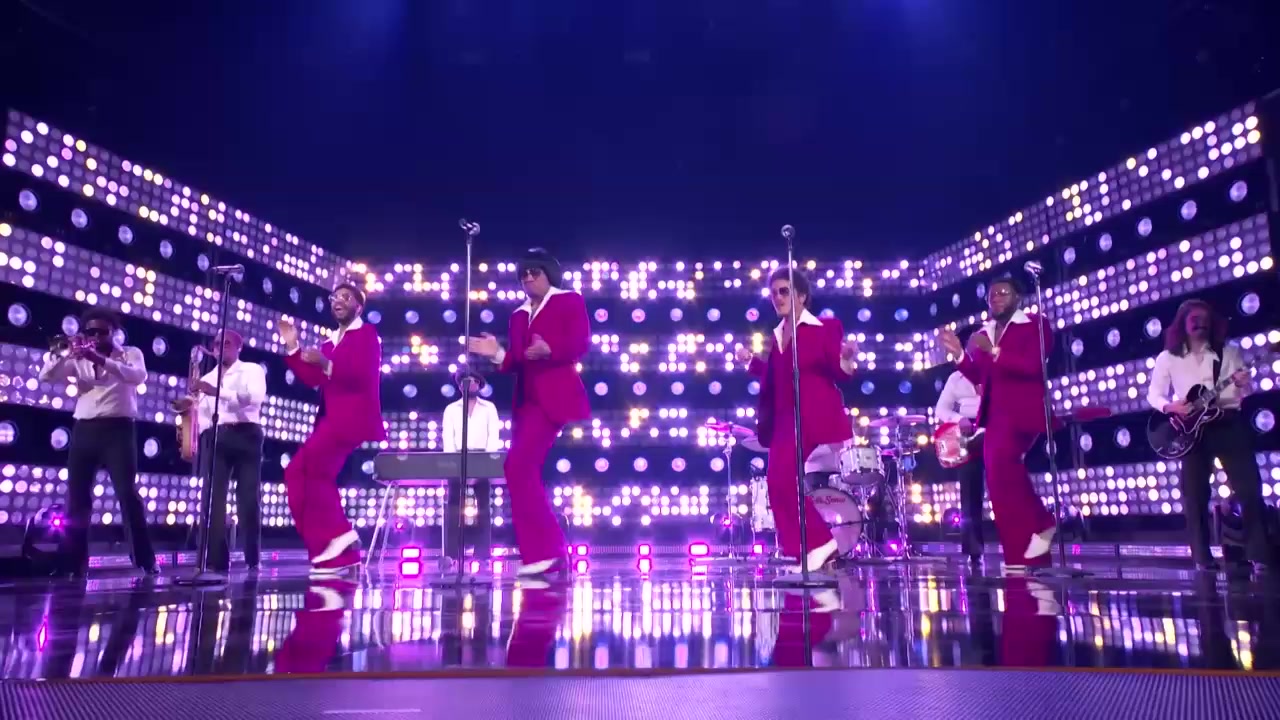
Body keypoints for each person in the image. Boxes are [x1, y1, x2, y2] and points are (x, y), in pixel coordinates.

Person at [467, 248, 589, 579]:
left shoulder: (568, 300)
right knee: (519, 470)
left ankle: (547, 552)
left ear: (549, 274)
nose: (528, 278)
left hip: (554, 397)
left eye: (535, 272)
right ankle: (544, 554)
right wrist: (497, 353)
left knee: (518, 466)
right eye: (523, 274)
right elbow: (517, 361)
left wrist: (551, 350)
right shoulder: (518, 316)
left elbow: (580, 343)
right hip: (526, 401)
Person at [733, 267, 858, 573]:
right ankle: (804, 551)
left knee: (784, 480)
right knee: (776, 484)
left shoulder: (825, 327)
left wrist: (847, 359)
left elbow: (837, 370)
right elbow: (776, 377)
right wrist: (751, 363)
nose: (777, 297)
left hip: (812, 415)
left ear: (801, 296)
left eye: (784, 291)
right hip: (784, 419)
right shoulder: (778, 335)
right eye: (773, 293)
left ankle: (822, 542)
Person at [1145, 298, 1271, 572]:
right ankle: (1202, 557)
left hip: (1228, 423)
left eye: (1204, 319)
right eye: (1194, 319)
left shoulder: (1229, 352)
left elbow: (1244, 393)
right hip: (1193, 430)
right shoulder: (1168, 358)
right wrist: (1170, 406)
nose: (1200, 324)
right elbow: (1154, 394)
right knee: (1194, 495)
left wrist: (1244, 384)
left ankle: (1259, 553)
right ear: (1183, 324)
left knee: (1250, 488)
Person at [939, 274, 1054, 571]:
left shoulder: (1034, 324)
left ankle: (1043, 524)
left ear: (1017, 297)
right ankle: (1021, 553)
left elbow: (1032, 366)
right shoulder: (985, 332)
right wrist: (959, 355)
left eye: (1003, 293)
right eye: (992, 295)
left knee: (1004, 471)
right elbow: (979, 376)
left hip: (1022, 411)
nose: (996, 298)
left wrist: (994, 351)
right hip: (994, 416)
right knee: (1000, 483)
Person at [38, 308, 156, 577]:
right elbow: (46, 376)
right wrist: (61, 354)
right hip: (85, 430)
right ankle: (72, 565)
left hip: (119, 430)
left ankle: (145, 560)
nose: (96, 337)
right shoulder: (78, 358)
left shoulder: (130, 354)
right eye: (90, 332)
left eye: (102, 332)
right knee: (77, 498)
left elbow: (137, 376)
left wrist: (100, 359)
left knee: (128, 495)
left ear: (114, 332)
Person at [278, 282, 386, 574]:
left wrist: (326, 363)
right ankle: (336, 552)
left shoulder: (367, 335)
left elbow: (361, 375)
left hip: (350, 419)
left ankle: (339, 534)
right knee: (309, 477)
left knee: (302, 471)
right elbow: (313, 379)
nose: (338, 300)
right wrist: (293, 347)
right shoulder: (330, 341)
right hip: (331, 419)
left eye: (346, 297)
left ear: (358, 307)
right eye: (335, 297)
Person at [173, 330, 266, 572]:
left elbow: (253, 399)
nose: (219, 348)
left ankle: (252, 558)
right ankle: (217, 560)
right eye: (216, 344)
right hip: (217, 436)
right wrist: (190, 417)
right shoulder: (208, 378)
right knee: (213, 499)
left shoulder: (252, 370)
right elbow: (204, 415)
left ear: (238, 347)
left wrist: (216, 392)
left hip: (247, 434)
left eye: (226, 343)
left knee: (248, 498)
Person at [441, 368, 503, 560]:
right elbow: (448, 437)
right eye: (464, 382)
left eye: (473, 381)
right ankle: (452, 555)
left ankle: (482, 554)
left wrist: (487, 461)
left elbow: (493, 436)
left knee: (483, 507)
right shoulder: (451, 409)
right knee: (453, 508)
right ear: (460, 386)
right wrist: (452, 463)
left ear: (479, 384)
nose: (469, 385)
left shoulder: (489, 408)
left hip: (482, 458)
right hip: (457, 459)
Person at [934, 358, 986, 565]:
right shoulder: (956, 378)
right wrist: (959, 420)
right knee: (970, 491)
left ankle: (1016, 545)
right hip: (968, 433)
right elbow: (941, 409)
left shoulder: (993, 370)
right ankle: (974, 549)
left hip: (993, 426)